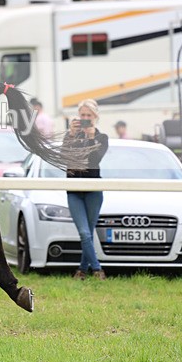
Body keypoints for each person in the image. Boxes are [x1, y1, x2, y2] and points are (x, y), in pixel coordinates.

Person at [64, 98, 109, 281]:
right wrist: (73, 136)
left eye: (88, 116)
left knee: (88, 233)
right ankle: (98, 270)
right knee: (84, 232)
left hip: (93, 189)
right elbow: (64, 156)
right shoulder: (70, 136)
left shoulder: (101, 138)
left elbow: (94, 160)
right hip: (74, 189)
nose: (84, 118)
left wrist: (91, 138)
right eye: (82, 115)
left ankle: (82, 271)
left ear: (95, 117)